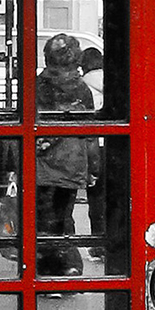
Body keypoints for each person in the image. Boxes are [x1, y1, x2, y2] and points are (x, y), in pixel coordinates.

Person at [35, 30, 97, 276]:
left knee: (46, 219)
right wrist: (93, 167)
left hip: (45, 163)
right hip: (72, 164)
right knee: (62, 215)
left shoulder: (40, 85)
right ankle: (70, 265)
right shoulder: (82, 89)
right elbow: (90, 133)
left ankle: (52, 270)